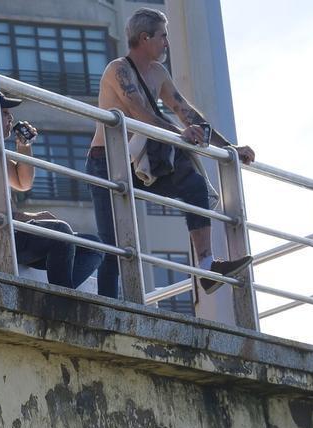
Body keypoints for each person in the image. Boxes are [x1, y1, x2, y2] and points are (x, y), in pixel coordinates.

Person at [86, 7, 254, 299]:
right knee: (113, 242)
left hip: (140, 161)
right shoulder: (118, 70)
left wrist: (230, 148)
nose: (167, 43)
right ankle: (107, 304)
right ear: (144, 37)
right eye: (163, 36)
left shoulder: (159, 72)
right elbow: (140, 112)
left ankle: (206, 266)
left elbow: (186, 112)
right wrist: (181, 135)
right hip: (106, 162)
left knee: (194, 184)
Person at [0, 92, 104, 290]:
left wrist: (24, 146)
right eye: (5, 112)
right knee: (60, 232)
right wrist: (29, 218)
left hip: (4, 233)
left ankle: (54, 297)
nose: (10, 118)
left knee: (94, 247)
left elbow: (23, 182)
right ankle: (61, 302)